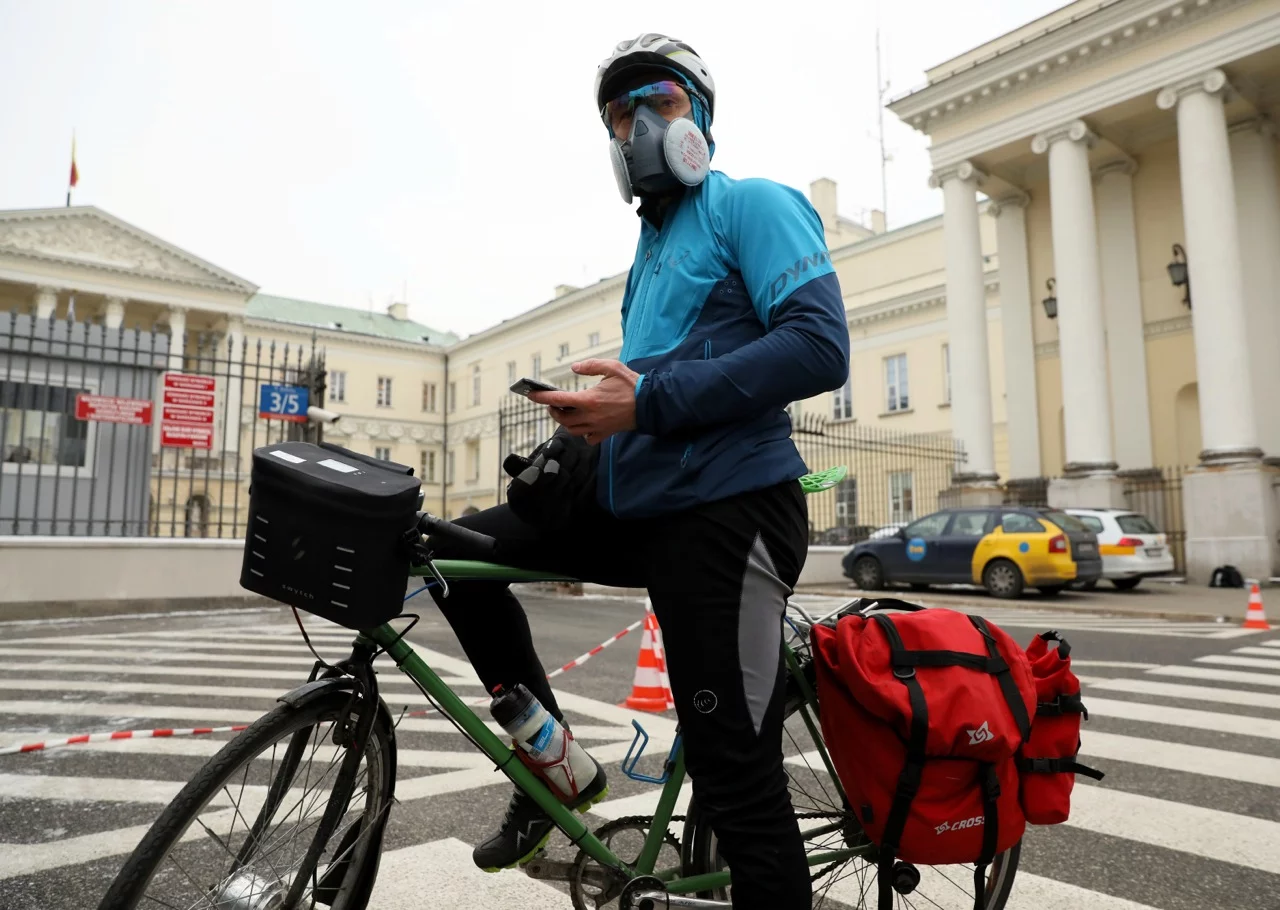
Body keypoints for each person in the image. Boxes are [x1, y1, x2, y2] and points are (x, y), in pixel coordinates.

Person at [428, 33, 849, 909]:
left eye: (657, 102)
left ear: (699, 118)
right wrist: (585, 437)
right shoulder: (647, 256)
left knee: (737, 772)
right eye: (620, 113)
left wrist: (645, 403)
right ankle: (554, 771)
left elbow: (819, 346)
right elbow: (650, 389)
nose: (637, 125)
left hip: (730, 513)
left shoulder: (756, 205)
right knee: (452, 560)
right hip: (638, 503)